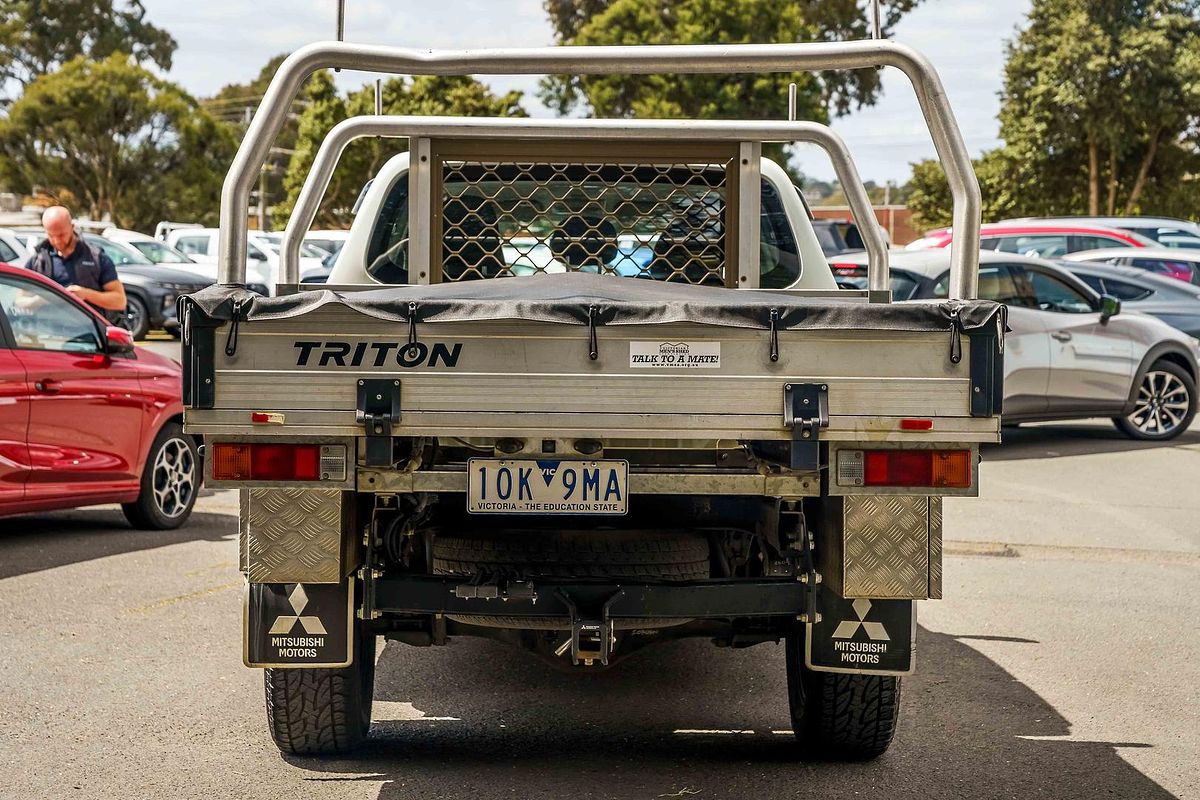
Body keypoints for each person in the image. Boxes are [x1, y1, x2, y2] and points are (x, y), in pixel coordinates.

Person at [24, 206, 126, 319]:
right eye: (51, 235)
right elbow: (20, 301)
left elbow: (120, 301)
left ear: (72, 227)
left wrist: (86, 294)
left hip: (87, 332)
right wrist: (45, 297)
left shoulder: (96, 257)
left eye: (61, 235)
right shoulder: (37, 261)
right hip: (47, 333)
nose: (57, 241)